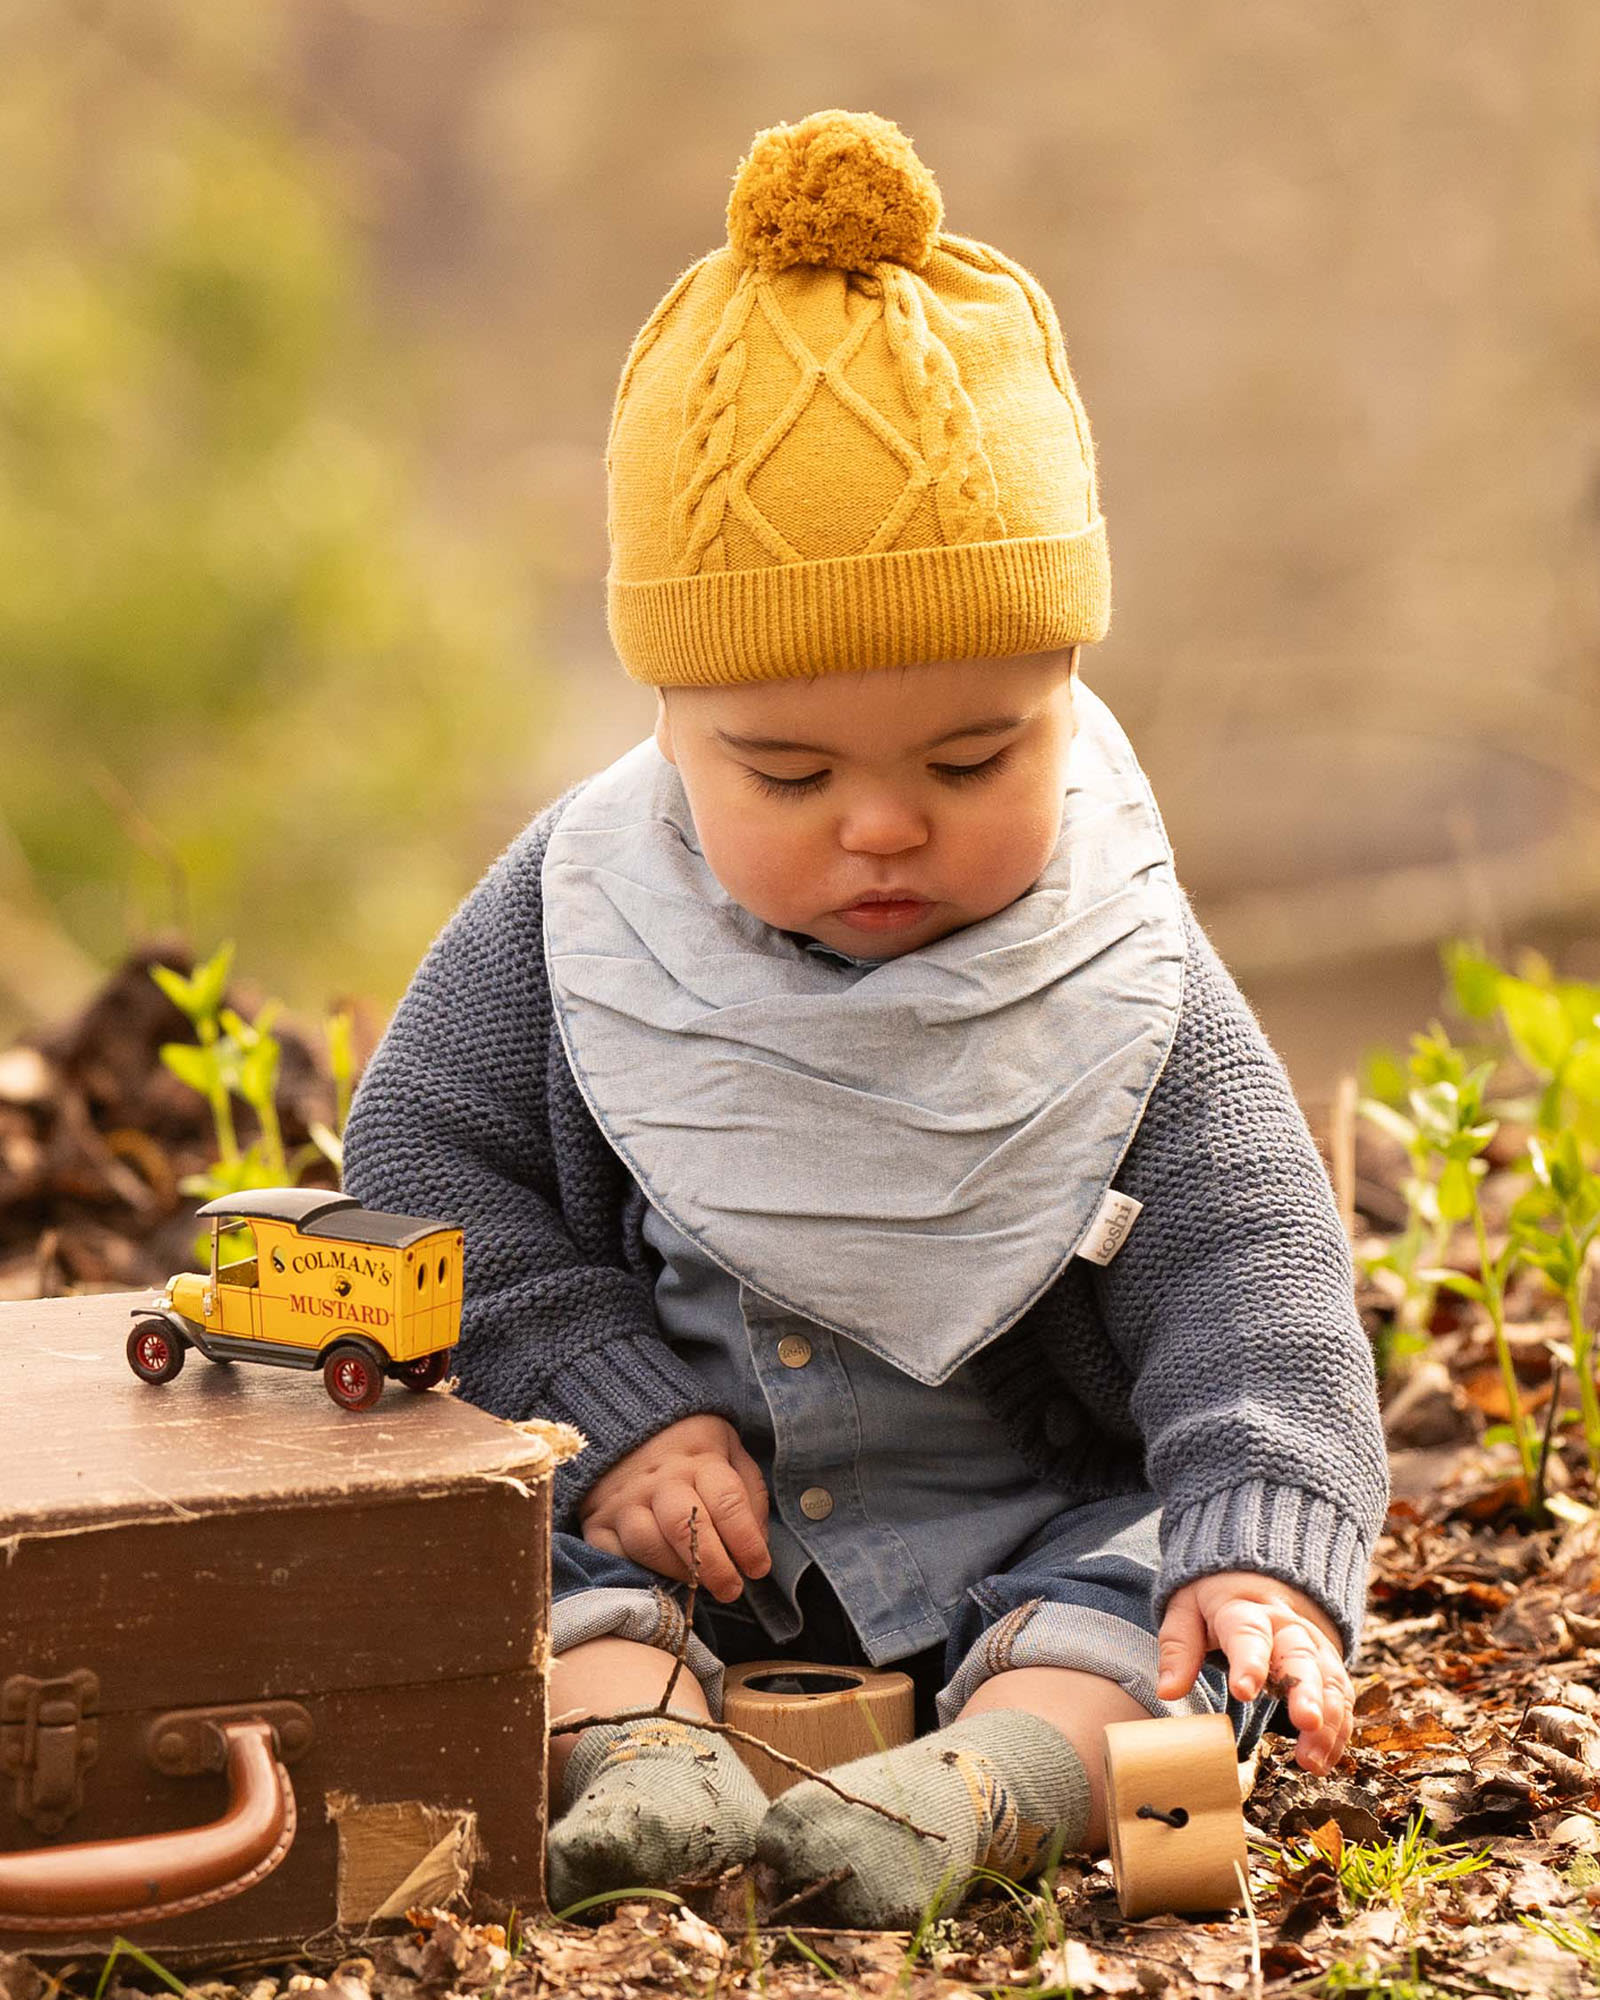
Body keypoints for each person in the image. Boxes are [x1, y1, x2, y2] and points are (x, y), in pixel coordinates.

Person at [340, 108, 1389, 1929]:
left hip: (1020, 1522)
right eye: (789, 770)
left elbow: (1251, 1273)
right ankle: (638, 1751)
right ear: (666, 720)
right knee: (517, 1573)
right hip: (670, 1531)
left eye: (974, 758)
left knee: (1143, 1603)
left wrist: (1264, 1551)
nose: (884, 824)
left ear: (1069, 698)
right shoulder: (582, 912)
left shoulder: (1109, 962)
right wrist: (616, 1412)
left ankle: (986, 1783)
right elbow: (428, 1168)